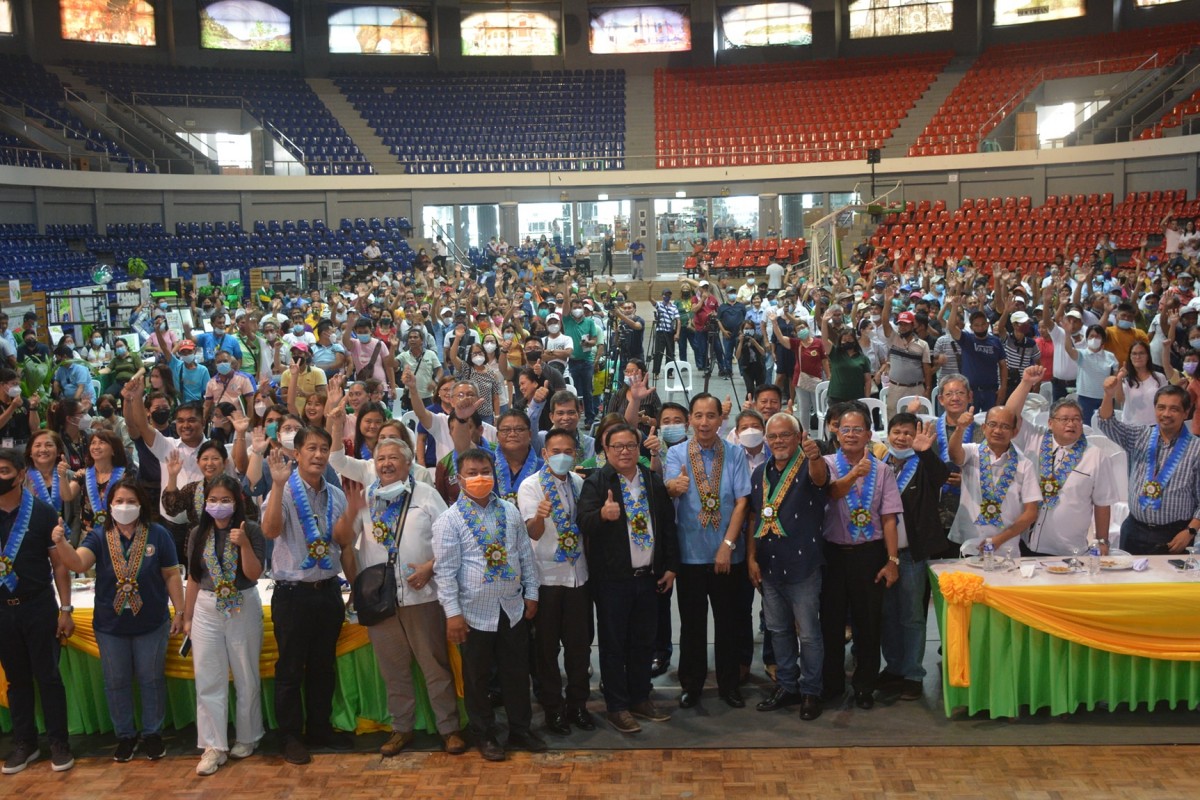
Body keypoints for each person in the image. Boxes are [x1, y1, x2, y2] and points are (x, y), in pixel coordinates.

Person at [332, 437, 464, 757]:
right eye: (381, 459)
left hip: (423, 597)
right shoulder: (365, 498)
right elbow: (342, 539)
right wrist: (351, 512)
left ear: (408, 464)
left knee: (435, 668)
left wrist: (430, 568)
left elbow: (451, 542)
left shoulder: (427, 496)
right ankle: (402, 728)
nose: (387, 464)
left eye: (394, 458)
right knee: (394, 670)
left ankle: (449, 730)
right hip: (381, 601)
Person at [51, 478, 183, 763]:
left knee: (151, 679)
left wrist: (181, 612)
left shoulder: (158, 534)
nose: (125, 507)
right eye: (119, 501)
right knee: (116, 681)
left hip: (151, 622)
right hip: (111, 626)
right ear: (110, 506)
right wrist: (61, 543)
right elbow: (78, 563)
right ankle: (125, 735)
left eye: (131, 502)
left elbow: (172, 575)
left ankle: (152, 734)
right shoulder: (99, 536)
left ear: (141, 505)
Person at [432, 447, 544, 761]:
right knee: (478, 678)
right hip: (472, 613)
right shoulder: (449, 521)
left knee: (516, 673)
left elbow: (524, 553)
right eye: (472, 473)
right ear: (458, 478)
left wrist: (531, 593)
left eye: (485, 471)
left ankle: (520, 729)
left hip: (511, 608)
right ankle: (485, 735)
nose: (480, 478)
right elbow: (445, 572)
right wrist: (453, 615)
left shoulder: (509, 511)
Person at [577, 423, 678, 734]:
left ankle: (640, 697)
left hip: (649, 576)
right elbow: (583, 521)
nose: (624, 451)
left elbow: (668, 526)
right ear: (605, 451)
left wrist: (671, 566)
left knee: (643, 641)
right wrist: (601, 516)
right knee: (614, 644)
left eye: (630, 446)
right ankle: (617, 706)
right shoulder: (597, 482)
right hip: (612, 580)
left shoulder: (651, 480)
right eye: (617, 446)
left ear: (639, 449)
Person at [260, 427, 350, 765]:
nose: (318, 455)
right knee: (291, 668)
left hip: (327, 591)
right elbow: (270, 532)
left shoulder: (336, 495)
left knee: (323, 667)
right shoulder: (281, 490)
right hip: (293, 594)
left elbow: (344, 546)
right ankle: (290, 736)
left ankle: (320, 729)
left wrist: (354, 588)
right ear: (296, 453)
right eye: (311, 448)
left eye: (324, 449)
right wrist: (278, 483)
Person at [664, 393, 751, 710]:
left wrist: (728, 546)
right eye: (698, 416)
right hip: (690, 555)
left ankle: (729, 684)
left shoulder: (735, 453)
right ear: (690, 420)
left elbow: (742, 501)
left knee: (728, 622)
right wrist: (675, 487)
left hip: (727, 555)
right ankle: (692, 684)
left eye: (710, 416)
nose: (704, 422)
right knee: (692, 624)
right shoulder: (676, 453)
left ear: (720, 419)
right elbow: (669, 487)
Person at [181, 475, 265, 776]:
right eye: (213, 500)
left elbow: (254, 573)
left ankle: (248, 736)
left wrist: (243, 545)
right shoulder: (197, 534)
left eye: (225, 500)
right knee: (208, 676)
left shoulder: (250, 529)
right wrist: (188, 616)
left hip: (242, 602)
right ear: (205, 503)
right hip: (206, 604)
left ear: (237, 502)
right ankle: (213, 745)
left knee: (246, 673)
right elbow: (192, 577)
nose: (218, 505)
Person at [746, 413, 828, 721]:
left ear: (798, 437)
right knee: (777, 630)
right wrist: (751, 558)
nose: (779, 441)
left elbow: (821, 480)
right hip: (769, 565)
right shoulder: (759, 474)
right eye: (773, 436)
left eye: (785, 435)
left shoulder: (810, 466)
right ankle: (787, 686)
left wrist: (815, 455)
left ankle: (811, 691)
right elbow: (754, 518)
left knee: (808, 634)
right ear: (767, 440)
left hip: (803, 565)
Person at [820, 403, 902, 710]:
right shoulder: (825, 465)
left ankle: (865, 685)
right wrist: (854, 474)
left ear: (869, 434)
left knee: (869, 623)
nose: (851, 434)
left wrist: (892, 561)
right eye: (845, 429)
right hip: (833, 555)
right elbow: (829, 494)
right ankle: (832, 684)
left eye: (858, 429)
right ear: (835, 432)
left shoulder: (883, 471)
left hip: (869, 554)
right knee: (830, 622)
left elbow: (890, 518)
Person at [0, 448, 75, 775]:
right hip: (2, 610)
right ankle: (25, 743)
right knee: (16, 680)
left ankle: (59, 742)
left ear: (20, 475)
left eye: (3, 471)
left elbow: (59, 565)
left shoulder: (42, 512)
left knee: (48, 677)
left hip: (38, 605)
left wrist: (66, 609)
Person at [518, 427, 594, 736]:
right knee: (546, 651)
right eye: (555, 451)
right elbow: (532, 533)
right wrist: (539, 516)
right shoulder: (530, 486)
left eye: (568, 451)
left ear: (575, 454)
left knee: (580, 648)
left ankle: (578, 705)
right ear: (545, 454)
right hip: (546, 578)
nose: (561, 456)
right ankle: (553, 709)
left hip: (579, 577)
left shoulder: (579, 483)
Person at [1004, 366, 1120, 556]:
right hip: (1026, 543)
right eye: (1064, 419)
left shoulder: (1095, 456)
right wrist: (1026, 383)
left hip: (1069, 549)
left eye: (1076, 419)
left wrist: (1102, 541)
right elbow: (1009, 417)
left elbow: (1102, 503)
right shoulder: (1036, 438)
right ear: (1050, 423)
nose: (1071, 424)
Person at [875, 414, 949, 702]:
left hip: (913, 555)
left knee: (912, 616)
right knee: (887, 615)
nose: (901, 437)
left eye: (907, 432)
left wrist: (924, 451)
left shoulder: (924, 465)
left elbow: (942, 476)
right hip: (883, 554)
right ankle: (894, 667)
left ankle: (913, 674)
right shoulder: (880, 465)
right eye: (897, 432)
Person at [1098, 379, 1200, 555]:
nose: (1166, 413)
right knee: (1130, 582)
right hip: (1134, 530)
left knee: (1168, 583)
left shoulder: (1196, 449)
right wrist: (1108, 395)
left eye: (1174, 409)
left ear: (1186, 412)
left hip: (1175, 536)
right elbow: (1107, 424)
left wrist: (1190, 532)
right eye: (1161, 407)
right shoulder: (1140, 435)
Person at [947, 405, 1042, 561]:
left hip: (1006, 547)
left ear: (1014, 432)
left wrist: (1001, 539)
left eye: (1005, 426)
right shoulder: (972, 452)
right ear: (984, 428)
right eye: (993, 425)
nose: (998, 431)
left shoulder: (1024, 464)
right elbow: (954, 455)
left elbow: (1031, 512)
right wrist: (960, 429)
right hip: (968, 543)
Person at [948, 303, 1007, 410]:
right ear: (971, 327)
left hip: (991, 391)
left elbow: (1003, 366)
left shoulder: (995, 341)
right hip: (970, 391)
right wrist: (954, 306)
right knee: (969, 423)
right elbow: (951, 327)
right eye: (976, 325)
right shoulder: (966, 339)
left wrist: (1003, 388)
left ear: (988, 325)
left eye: (983, 324)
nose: (980, 327)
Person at [881, 309, 933, 418]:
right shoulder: (893, 339)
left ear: (913, 325)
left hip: (917, 388)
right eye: (900, 324)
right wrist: (887, 303)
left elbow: (926, 368)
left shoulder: (923, 344)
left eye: (906, 324)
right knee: (894, 420)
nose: (902, 327)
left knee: (919, 420)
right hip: (896, 388)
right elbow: (885, 322)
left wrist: (928, 389)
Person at [563, 298, 601, 426]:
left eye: (580, 307)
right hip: (572, 362)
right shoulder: (567, 320)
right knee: (573, 391)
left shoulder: (589, 322)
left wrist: (588, 343)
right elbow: (565, 304)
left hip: (586, 361)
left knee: (588, 391)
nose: (577, 309)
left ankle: (589, 418)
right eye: (575, 307)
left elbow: (594, 340)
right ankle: (572, 417)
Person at [650, 289, 681, 380]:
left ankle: (669, 372)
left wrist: (677, 333)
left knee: (670, 353)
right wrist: (650, 288)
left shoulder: (674, 307)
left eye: (668, 295)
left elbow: (678, 320)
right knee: (658, 353)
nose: (667, 296)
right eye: (665, 294)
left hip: (670, 332)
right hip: (660, 332)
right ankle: (656, 372)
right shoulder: (659, 305)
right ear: (662, 295)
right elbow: (650, 299)